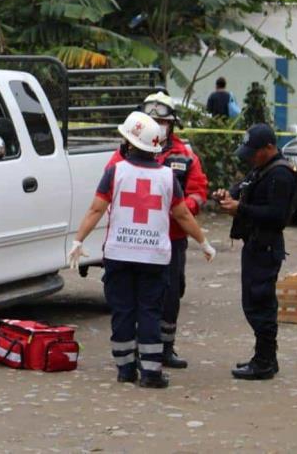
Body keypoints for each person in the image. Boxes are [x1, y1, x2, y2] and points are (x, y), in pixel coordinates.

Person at [69, 111, 215, 388]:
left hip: (119, 254)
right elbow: (183, 216)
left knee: (122, 311)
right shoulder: (167, 177)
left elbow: (96, 209)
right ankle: (151, 373)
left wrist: (78, 240)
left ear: (130, 143)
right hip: (153, 257)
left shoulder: (115, 171)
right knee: (150, 311)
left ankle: (125, 369)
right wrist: (204, 243)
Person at [105, 92, 209, 369]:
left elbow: (198, 192)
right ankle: (135, 353)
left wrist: (179, 208)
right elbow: (108, 193)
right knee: (130, 299)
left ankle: (164, 348)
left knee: (171, 294)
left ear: (171, 124)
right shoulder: (122, 154)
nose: (157, 126)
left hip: (171, 238)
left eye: (162, 121)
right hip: (132, 239)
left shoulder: (184, 155)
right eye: (153, 120)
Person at [213, 123, 297, 380]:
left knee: (260, 303)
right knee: (252, 302)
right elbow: (243, 188)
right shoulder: (261, 169)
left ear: (269, 148)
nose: (250, 156)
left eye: (254, 151)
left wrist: (240, 208)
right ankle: (263, 358)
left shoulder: (281, 175)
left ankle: (264, 361)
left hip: (266, 246)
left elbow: (277, 216)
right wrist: (226, 195)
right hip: (255, 244)